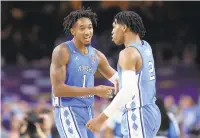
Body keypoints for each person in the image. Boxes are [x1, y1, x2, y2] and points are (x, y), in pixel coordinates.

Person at [86, 10, 161, 138]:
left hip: (137, 113)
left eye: (114, 26)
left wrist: (101, 119)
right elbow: (138, 79)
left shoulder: (127, 53)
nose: (112, 31)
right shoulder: (145, 46)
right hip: (152, 111)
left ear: (124, 27)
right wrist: (118, 78)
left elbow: (128, 91)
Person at [50, 7, 119, 138]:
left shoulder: (97, 56)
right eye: (82, 28)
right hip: (68, 110)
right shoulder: (62, 51)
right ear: (73, 31)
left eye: (90, 27)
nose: (87, 32)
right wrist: (96, 90)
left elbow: (119, 80)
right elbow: (58, 90)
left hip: (88, 111)